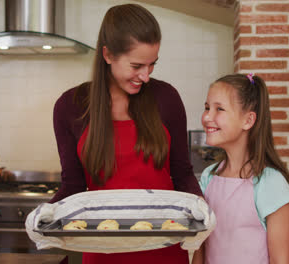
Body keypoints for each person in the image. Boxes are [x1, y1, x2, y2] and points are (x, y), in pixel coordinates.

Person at [49, 3, 202, 264]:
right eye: (136, 65)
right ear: (107, 55)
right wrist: (46, 215)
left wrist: (203, 210)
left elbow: (182, 173)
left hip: (164, 251)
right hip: (103, 252)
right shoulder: (70, 107)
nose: (145, 76)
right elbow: (73, 186)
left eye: (152, 64)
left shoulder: (166, 98)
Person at [191, 73, 289, 264]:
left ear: (248, 121)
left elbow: (281, 261)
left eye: (219, 109)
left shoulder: (270, 184)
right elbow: (201, 246)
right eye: (207, 108)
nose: (207, 116)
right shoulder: (209, 177)